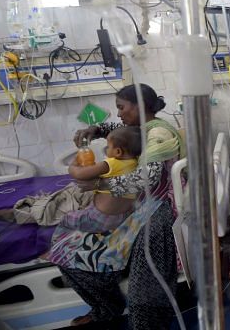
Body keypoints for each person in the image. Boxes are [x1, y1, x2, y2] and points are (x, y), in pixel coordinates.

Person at [48, 84, 185, 329]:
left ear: (140, 106)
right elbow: (118, 128)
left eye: (121, 108)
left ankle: (147, 322)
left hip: (159, 211)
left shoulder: (158, 135)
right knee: (65, 249)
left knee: (146, 287)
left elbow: (148, 177)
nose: (119, 114)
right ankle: (107, 307)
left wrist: (101, 183)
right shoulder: (141, 128)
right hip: (141, 206)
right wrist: (96, 129)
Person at [58, 126, 142, 234]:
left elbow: (80, 174)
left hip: (101, 217)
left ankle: (59, 243)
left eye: (108, 146)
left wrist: (73, 166)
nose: (106, 149)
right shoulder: (135, 163)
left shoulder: (111, 163)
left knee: (66, 219)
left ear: (118, 152)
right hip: (123, 216)